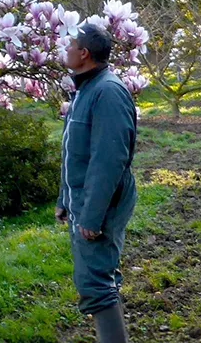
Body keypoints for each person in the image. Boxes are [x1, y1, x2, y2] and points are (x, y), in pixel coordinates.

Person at [56, 22, 137, 343]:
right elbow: (77, 153)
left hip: (102, 204)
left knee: (96, 285)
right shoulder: (88, 89)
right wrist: (65, 199)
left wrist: (90, 216)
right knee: (95, 279)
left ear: (84, 53)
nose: (66, 49)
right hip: (86, 200)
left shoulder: (106, 92)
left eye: (70, 44)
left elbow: (108, 160)